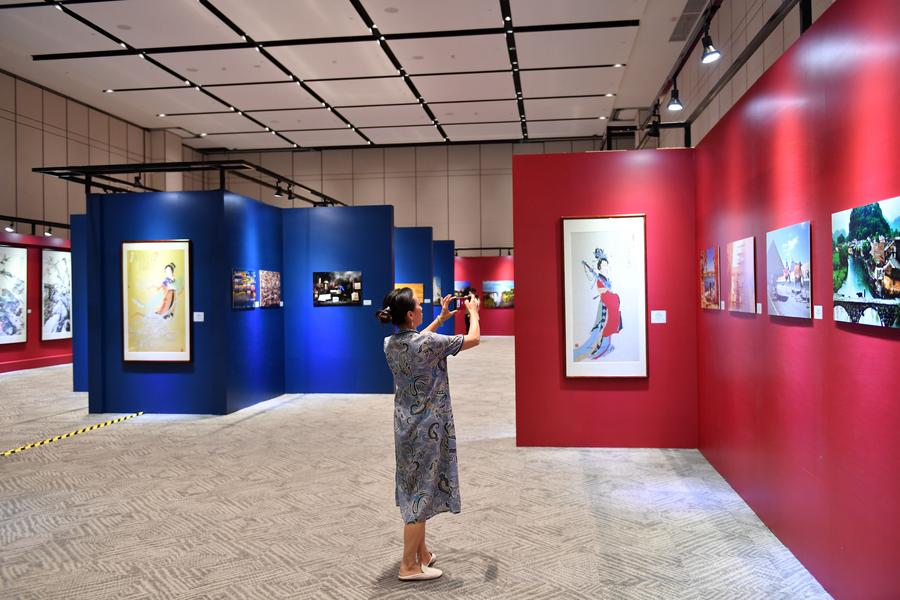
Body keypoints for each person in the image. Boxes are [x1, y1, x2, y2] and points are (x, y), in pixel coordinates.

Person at [376, 287, 480, 581]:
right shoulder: (428, 343)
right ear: (411, 314)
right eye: (419, 305)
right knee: (420, 493)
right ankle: (408, 566)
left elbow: (419, 340)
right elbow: (473, 339)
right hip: (427, 429)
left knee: (414, 485)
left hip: (405, 426)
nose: (423, 308)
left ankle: (422, 554)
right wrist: (473, 314)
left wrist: (441, 319)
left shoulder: (390, 343)